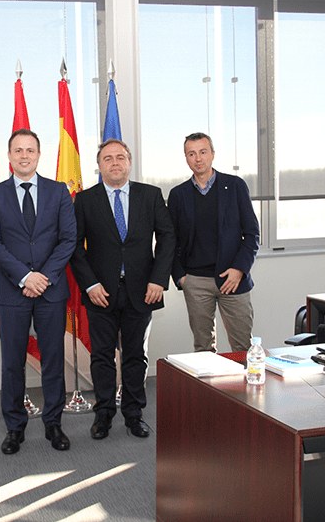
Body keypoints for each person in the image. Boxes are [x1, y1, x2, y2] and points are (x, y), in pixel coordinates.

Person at [70, 138, 175, 440]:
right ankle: (103, 414)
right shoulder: (85, 200)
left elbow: (167, 237)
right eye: (107, 158)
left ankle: (134, 414)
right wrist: (89, 284)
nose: (114, 163)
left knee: (135, 356)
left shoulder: (150, 195)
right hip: (100, 292)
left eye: (120, 157)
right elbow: (74, 246)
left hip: (142, 290)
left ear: (129, 162)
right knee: (101, 356)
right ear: (99, 165)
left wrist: (158, 279)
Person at [0, 128, 76, 455]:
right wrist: (25, 276)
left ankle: (54, 423)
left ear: (38, 155)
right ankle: (15, 428)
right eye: (18, 150)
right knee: (12, 363)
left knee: (53, 360)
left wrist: (44, 277)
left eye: (30, 150)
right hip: (12, 292)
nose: (24, 156)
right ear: (9, 156)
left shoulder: (58, 191)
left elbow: (68, 239)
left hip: (51, 290)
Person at [167, 132, 260, 353]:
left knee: (243, 347)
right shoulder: (178, 194)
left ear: (212, 154)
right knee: (203, 349)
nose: (198, 158)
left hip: (233, 279)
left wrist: (239, 270)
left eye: (203, 152)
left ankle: (243, 379)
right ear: (186, 158)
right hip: (195, 281)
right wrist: (181, 278)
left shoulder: (235, 186)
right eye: (191, 154)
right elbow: (171, 240)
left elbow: (252, 234)